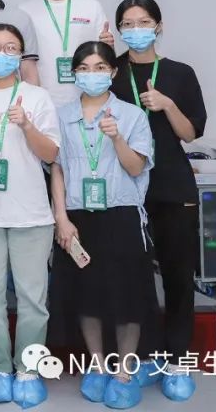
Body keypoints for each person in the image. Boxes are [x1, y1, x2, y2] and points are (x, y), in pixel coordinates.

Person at [48, 41, 156, 410]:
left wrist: (116, 137)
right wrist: (61, 218)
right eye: (83, 68)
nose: (91, 74)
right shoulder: (61, 116)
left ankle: (124, 372)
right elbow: (57, 169)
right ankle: (95, 364)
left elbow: (136, 167)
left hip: (121, 214)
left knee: (128, 296)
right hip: (78, 218)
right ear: (74, 73)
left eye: (99, 68)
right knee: (87, 295)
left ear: (113, 72)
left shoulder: (132, 115)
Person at [109, 0, 207, 402]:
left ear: (159, 26)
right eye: (128, 23)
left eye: (144, 22)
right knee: (131, 279)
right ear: (118, 30)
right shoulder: (111, 72)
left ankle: (178, 361)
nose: (136, 29)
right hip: (124, 189)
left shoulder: (180, 73)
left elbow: (190, 134)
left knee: (178, 277)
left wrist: (167, 105)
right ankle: (144, 356)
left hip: (171, 188)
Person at [0, 23, 60, 409]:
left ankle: (29, 371)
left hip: (32, 215)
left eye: (10, 48)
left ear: (21, 55)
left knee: (33, 300)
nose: (1, 54)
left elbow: (51, 154)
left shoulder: (37, 97)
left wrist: (27, 125)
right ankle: (0, 368)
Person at [18, 0, 113, 108]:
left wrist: (109, 47)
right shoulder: (24, 12)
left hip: (87, 101)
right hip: (43, 105)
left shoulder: (92, 7)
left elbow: (106, 57)